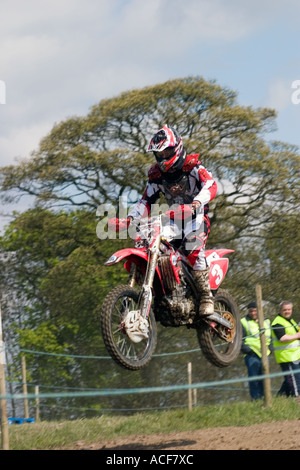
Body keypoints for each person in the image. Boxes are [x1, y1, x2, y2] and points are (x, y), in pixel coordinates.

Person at [109, 125, 217, 316]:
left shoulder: (193, 167)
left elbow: (211, 185)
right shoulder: (156, 176)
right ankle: (163, 290)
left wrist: (194, 204)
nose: (163, 157)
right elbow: (145, 200)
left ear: (177, 148)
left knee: (192, 249)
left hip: (195, 216)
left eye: (167, 151)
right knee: (150, 246)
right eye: (159, 154)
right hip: (174, 220)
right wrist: (129, 220)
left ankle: (206, 296)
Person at [241, 301, 272, 400]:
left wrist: (270, 349)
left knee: (265, 378)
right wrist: (249, 351)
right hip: (252, 355)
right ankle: (256, 399)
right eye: (251, 311)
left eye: (255, 311)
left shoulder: (267, 321)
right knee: (254, 378)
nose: (253, 313)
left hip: (265, 354)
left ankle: (265, 398)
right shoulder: (243, 322)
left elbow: (271, 338)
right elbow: (239, 341)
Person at [271, 301, 300, 397]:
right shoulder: (277, 322)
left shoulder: (291, 321)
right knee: (295, 381)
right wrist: (297, 335)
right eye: (285, 310)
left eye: (289, 309)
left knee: (289, 381)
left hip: (295, 356)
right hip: (287, 357)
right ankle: (297, 399)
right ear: (280, 310)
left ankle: (280, 398)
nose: (287, 311)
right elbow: (282, 338)